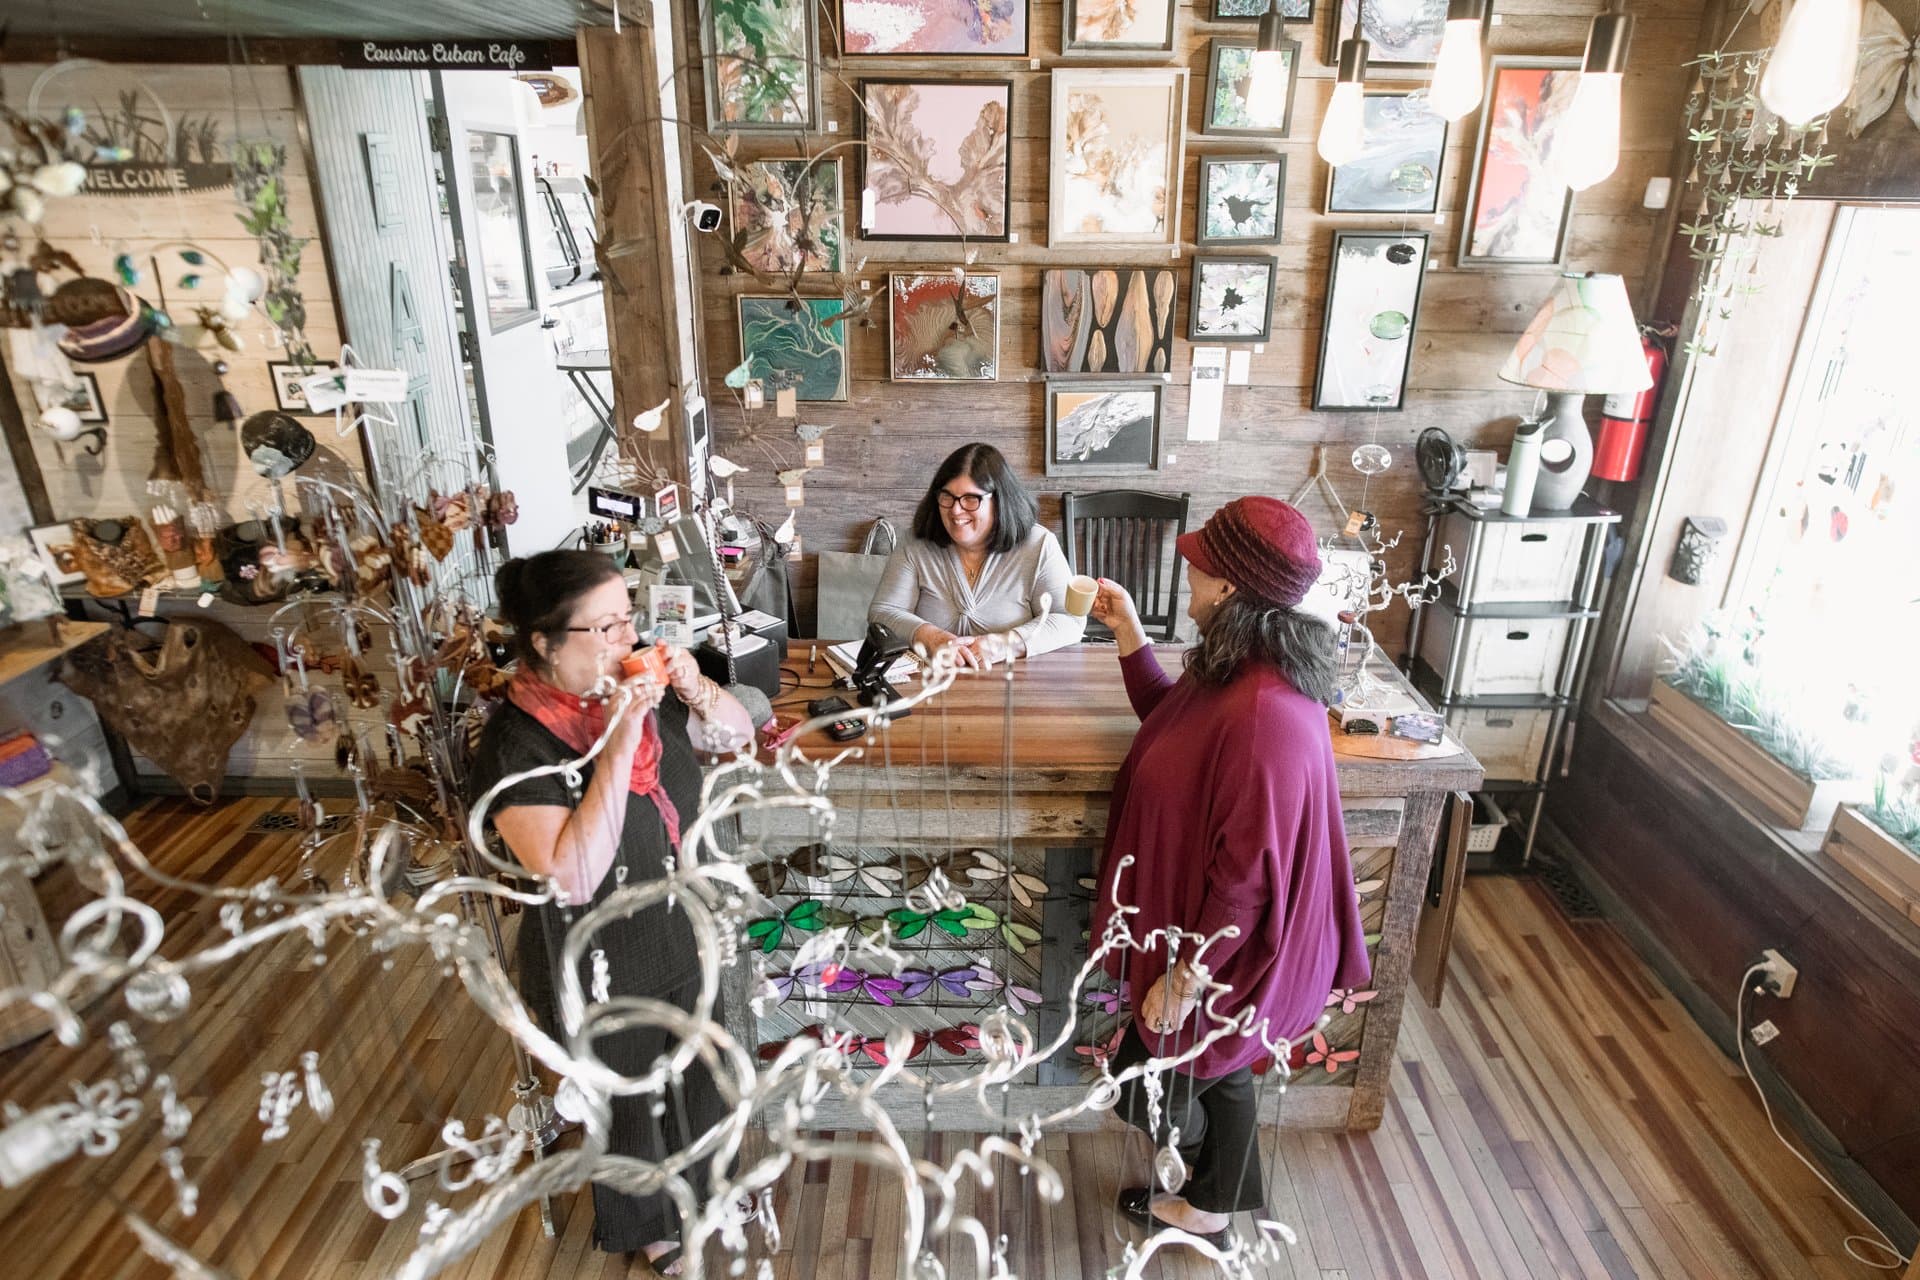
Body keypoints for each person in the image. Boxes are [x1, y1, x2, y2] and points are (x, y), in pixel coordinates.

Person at [1085, 496, 1371, 1246]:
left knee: (1152, 1084)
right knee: (1226, 1065)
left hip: (1231, 954)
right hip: (1220, 949)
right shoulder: (1242, 670)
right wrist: (1129, 640)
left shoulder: (1263, 712)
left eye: (1199, 567)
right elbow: (1173, 725)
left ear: (1230, 588)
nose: (1188, 576)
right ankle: (1214, 1204)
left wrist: (1182, 981)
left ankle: (1208, 1197)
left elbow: (1242, 881)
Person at [467, 550, 754, 1271]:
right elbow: (571, 874)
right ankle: (650, 1226)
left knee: (699, 1069)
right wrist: (623, 735)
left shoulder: (626, 693)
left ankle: (708, 1185)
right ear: (543, 642)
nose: (624, 640)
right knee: (631, 1105)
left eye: (627, 619)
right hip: (597, 957)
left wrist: (695, 691)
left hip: (678, 923)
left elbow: (736, 737)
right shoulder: (518, 745)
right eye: (602, 628)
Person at [869, 442, 1084, 666]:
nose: (955, 510)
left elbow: (1070, 620)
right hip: (930, 684)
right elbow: (883, 612)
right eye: (947, 496)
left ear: (1000, 501)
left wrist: (1004, 644)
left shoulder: (1039, 544)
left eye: (971, 499)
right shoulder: (915, 542)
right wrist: (931, 638)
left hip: (1014, 685)